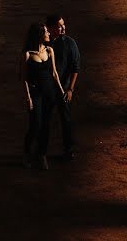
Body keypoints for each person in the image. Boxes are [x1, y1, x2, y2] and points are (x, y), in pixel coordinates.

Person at [20, 22, 64, 170]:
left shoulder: (50, 50)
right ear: (39, 35)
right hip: (35, 94)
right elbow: (24, 78)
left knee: (46, 125)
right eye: (46, 32)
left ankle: (42, 154)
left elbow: (54, 73)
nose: (49, 34)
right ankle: (27, 154)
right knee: (35, 125)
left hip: (49, 93)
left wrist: (61, 91)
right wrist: (28, 98)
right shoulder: (27, 54)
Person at [46, 14, 80, 160]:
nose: (63, 28)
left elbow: (75, 68)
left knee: (65, 119)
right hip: (47, 89)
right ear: (51, 28)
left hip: (63, 90)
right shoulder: (44, 43)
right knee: (44, 120)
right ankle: (42, 151)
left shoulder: (70, 43)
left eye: (63, 24)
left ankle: (68, 149)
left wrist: (70, 89)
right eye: (59, 26)